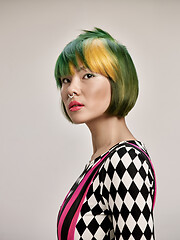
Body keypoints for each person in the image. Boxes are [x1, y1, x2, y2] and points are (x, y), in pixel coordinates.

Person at [54, 27, 156, 240]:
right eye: (65, 80)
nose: (71, 89)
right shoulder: (101, 160)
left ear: (118, 81)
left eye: (87, 75)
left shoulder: (126, 160)